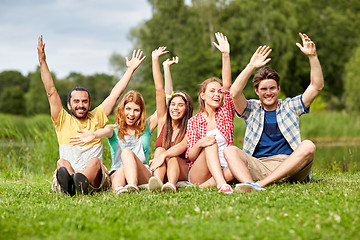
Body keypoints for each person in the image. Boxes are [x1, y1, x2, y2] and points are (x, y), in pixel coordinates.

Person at [37, 35, 145, 195]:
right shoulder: (61, 119)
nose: (81, 105)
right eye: (76, 101)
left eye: (84, 101)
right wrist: (42, 61)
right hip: (70, 171)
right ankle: (71, 182)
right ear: (69, 105)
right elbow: (51, 91)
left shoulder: (97, 116)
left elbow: (115, 94)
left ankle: (79, 182)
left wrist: (130, 70)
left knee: (95, 162)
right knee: (62, 162)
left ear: (89, 103)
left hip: (94, 177)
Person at [224, 33, 324, 192]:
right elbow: (234, 92)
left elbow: (316, 86)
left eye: (272, 88)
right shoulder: (251, 109)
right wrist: (251, 66)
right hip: (259, 165)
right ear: (256, 91)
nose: (268, 92)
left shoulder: (290, 106)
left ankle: (259, 186)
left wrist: (313, 56)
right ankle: (249, 184)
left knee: (308, 146)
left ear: (278, 89)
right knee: (229, 150)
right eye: (263, 89)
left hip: (291, 166)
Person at [70, 89, 158, 194]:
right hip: (119, 171)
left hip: (142, 174)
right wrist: (94, 134)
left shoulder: (146, 127)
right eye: (128, 109)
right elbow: (105, 131)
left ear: (141, 112)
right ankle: (118, 190)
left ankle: (132, 186)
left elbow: (163, 103)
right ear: (122, 109)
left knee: (126, 153)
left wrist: (165, 72)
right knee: (119, 171)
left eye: (136, 110)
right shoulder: (113, 129)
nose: (131, 114)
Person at [185, 32, 235, 194]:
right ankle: (220, 184)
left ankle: (207, 186)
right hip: (200, 170)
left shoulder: (225, 112)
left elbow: (227, 86)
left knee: (237, 168)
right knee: (210, 142)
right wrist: (201, 143)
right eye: (212, 91)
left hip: (224, 166)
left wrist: (225, 55)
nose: (217, 94)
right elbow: (190, 156)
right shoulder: (194, 121)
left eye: (219, 92)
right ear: (203, 95)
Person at [147, 47, 193, 193]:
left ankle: (171, 185)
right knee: (160, 149)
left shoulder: (189, 126)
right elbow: (160, 90)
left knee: (170, 156)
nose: (175, 108)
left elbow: (181, 147)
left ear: (186, 108)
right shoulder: (163, 121)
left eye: (180, 105)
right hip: (162, 167)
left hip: (182, 169)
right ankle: (158, 183)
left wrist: (163, 156)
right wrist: (155, 61)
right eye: (173, 104)